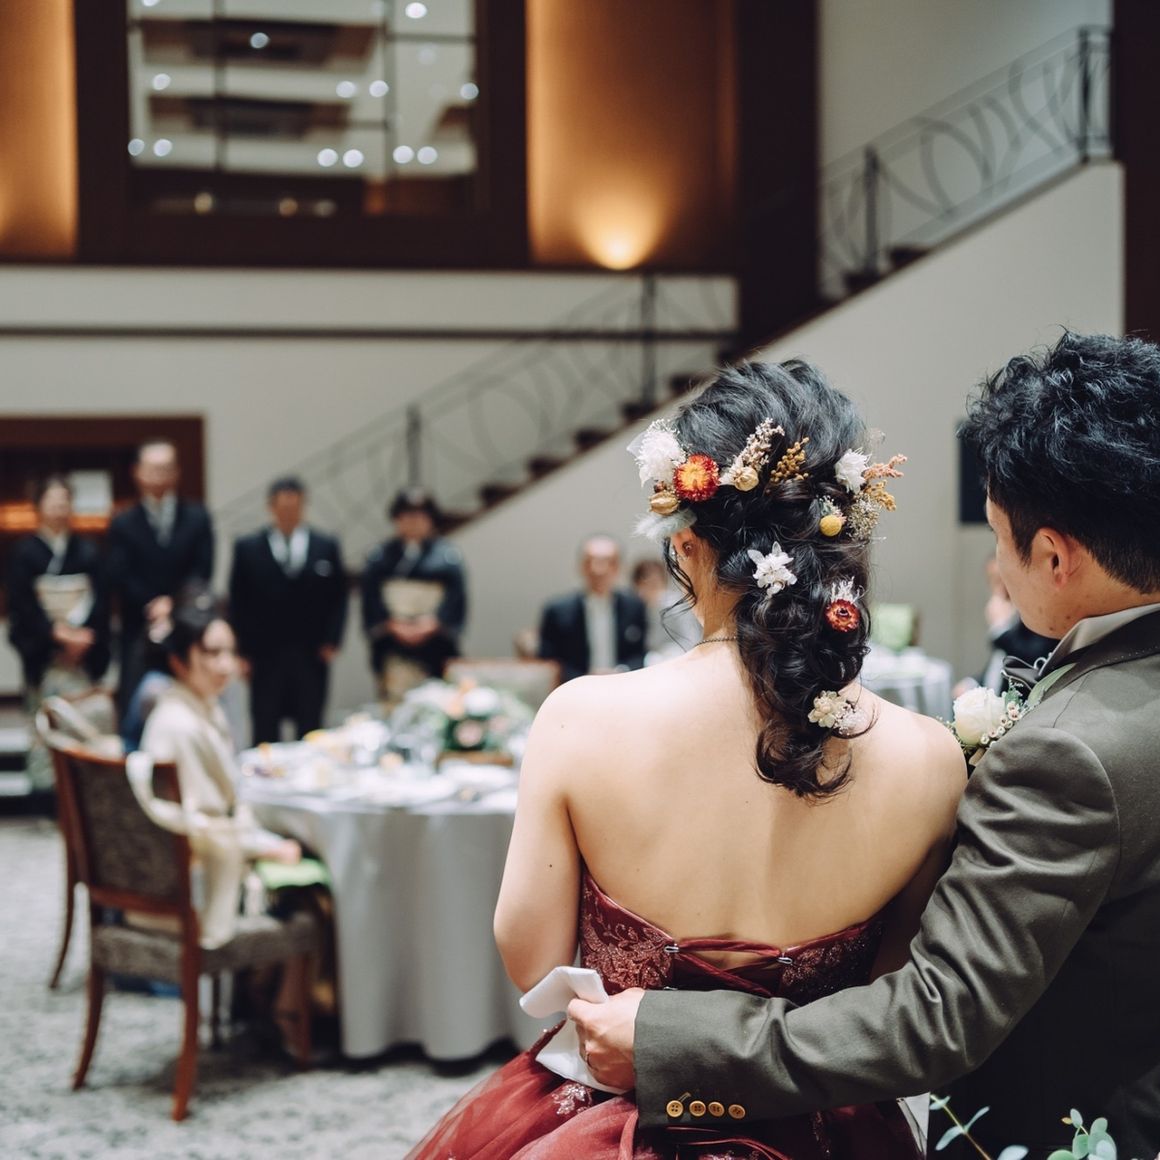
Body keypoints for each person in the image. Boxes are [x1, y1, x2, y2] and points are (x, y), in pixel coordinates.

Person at [571, 333, 1160, 1158]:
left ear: (1054, 555)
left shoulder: (1069, 755)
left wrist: (674, 1037)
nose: (998, 561)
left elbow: (938, 1014)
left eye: (998, 538)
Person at [405, 360, 966, 1159]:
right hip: (824, 1125)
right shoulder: (933, 758)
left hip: (618, 1120)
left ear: (688, 547)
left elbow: (534, 964)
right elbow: (888, 997)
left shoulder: (580, 719)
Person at [137, 600, 300, 949]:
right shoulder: (180, 726)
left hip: (202, 861)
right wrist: (269, 848)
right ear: (178, 661)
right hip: (191, 887)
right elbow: (203, 825)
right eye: (211, 653)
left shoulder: (202, 706)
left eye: (231, 652)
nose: (226, 665)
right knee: (311, 898)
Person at [7, 475, 111, 788]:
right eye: (52, 502)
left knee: (83, 723)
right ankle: (46, 791)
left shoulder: (87, 550)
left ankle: (82, 791)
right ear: (38, 507)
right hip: (46, 651)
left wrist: (84, 636)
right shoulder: (25, 553)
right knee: (44, 724)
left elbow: (101, 598)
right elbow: (22, 604)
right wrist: (56, 634)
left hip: (83, 652)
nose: (59, 509)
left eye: (64, 502)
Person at [229, 476, 348, 743]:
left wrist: (332, 640)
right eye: (283, 507)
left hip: (311, 650)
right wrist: (241, 651)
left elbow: (338, 597)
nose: (289, 513)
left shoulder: (325, 545)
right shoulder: (248, 548)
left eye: (295, 507)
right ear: (271, 507)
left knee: (311, 721)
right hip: (264, 652)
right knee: (265, 722)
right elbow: (239, 602)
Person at [107, 440, 214, 721]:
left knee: (190, 710)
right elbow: (120, 574)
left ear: (177, 472)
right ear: (137, 472)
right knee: (137, 709)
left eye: (166, 468)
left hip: (187, 626)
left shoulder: (197, 518)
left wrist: (174, 604)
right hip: (138, 628)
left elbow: (202, 569)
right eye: (153, 468)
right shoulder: (122, 522)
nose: (159, 475)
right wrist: (152, 604)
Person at [360, 488, 466, 703]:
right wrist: (391, 625)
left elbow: (455, 598)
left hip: (433, 639)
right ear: (396, 519)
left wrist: (434, 623)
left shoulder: (447, 556)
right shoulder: (380, 556)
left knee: (438, 700)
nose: (413, 522)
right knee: (395, 698)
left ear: (431, 520)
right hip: (393, 638)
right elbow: (371, 599)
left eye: (420, 516)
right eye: (406, 516)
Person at [538, 535, 648, 682]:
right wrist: (586, 678)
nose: (599, 569)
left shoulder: (634, 607)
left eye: (608, 562)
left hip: (624, 683)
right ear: (581, 566)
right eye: (591, 561)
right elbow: (549, 660)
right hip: (574, 687)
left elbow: (641, 653)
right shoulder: (557, 610)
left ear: (619, 567)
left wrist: (620, 671)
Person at [953, 554, 1056, 698]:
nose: (1000, 588)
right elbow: (999, 665)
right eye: (994, 581)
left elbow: (1029, 661)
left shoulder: (1035, 615)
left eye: (1004, 579)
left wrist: (999, 629)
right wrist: (973, 682)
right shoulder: (1007, 613)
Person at [631, 556, 702, 661]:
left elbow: (691, 640)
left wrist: (661, 657)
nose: (649, 586)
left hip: (675, 660)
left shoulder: (675, 605)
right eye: (644, 582)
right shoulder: (640, 608)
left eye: (654, 582)